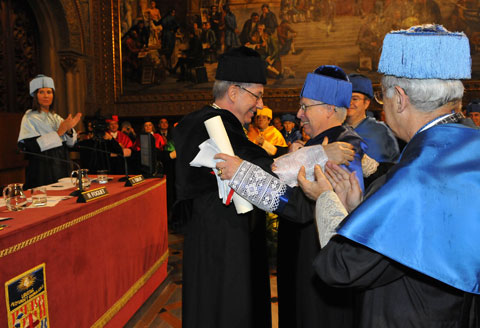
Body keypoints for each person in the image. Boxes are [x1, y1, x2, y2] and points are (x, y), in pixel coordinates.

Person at [303, 24, 480, 326]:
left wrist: (326, 200)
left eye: (383, 100)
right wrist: (361, 212)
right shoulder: (469, 147)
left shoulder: (418, 176)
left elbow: (341, 267)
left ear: (399, 98)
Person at [214, 65, 365, 328]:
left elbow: (301, 206)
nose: (299, 114)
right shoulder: (317, 144)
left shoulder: (344, 147)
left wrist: (244, 177)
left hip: (319, 267)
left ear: (330, 108)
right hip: (301, 262)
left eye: (306, 107)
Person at [173, 46, 273, 328]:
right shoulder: (216, 125)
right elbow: (262, 166)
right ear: (233, 92)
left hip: (209, 238)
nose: (261, 105)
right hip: (225, 244)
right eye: (258, 95)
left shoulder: (202, 120)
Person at [18, 74, 82, 190]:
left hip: (62, 163)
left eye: (49, 92)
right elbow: (31, 147)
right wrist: (58, 134)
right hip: (43, 167)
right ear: (35, 96)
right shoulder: (30, 117)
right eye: (41, 92)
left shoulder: (57, 118)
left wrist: (68, 131)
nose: (46, 96)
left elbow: (71, 145)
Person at [346, 73, 399, 163]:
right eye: (346, 98)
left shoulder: (379, 132)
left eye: (355, 99)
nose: (349, 102)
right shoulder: (337, 128)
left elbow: (386, 170)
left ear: (366, 103)